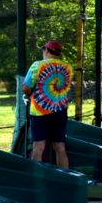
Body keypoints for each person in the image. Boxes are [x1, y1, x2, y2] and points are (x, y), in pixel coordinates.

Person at [21, 40, 72, 168]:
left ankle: (36, 180)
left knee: (38, 147)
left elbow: (26, 88)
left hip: (40, 112)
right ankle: (65, 178)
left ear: (47, 51)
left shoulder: (37, 65)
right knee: (60, 147)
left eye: (44, 50)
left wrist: (30, 93)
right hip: (60, 111)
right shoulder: (68, 67)